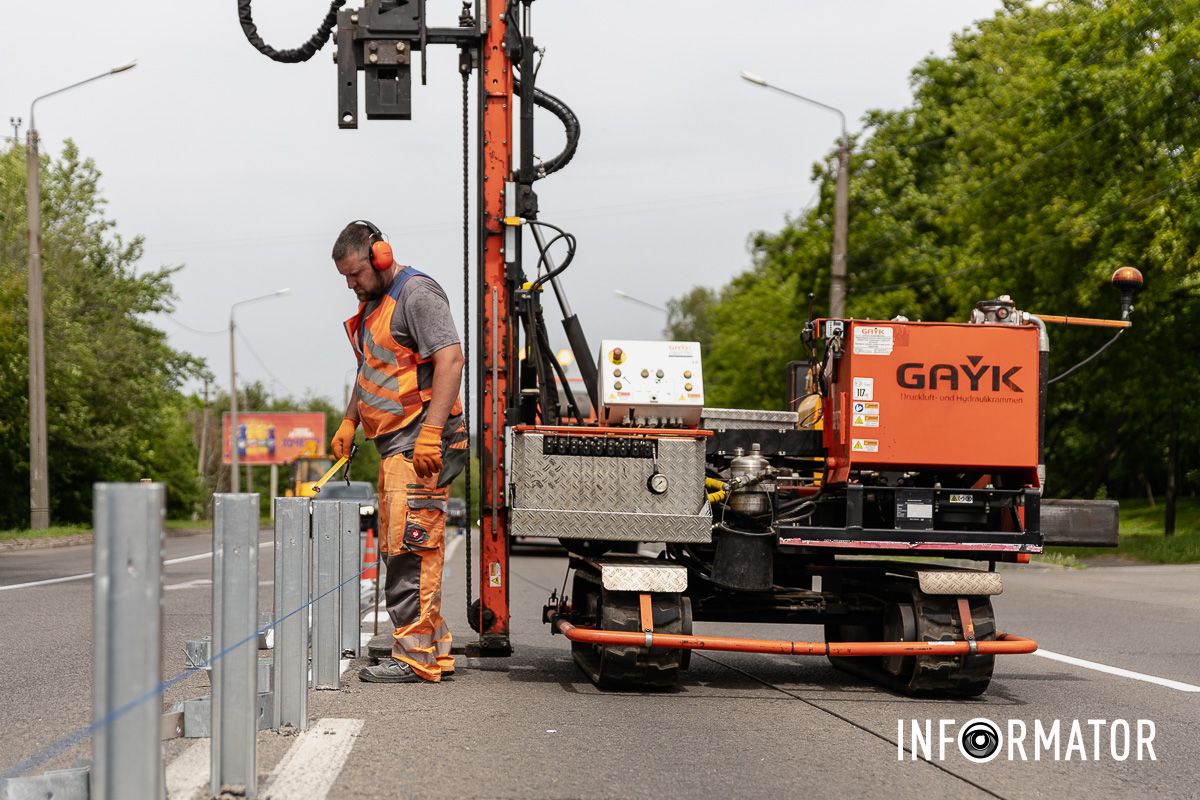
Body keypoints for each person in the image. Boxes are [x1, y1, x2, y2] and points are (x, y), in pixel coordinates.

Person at [329, 220, 468, 684]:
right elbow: (371, 370)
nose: (351, 284)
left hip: (420, 441)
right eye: (345, 278)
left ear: (381, 257)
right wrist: (351, 419)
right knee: (399, 546)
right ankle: (433, 647)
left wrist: (432, 434)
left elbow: (450, 358)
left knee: (413, 549)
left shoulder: (417, 294)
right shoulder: (373, 308)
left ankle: (414, 656)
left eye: (355, 274)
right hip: (395, 442)